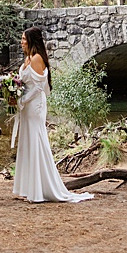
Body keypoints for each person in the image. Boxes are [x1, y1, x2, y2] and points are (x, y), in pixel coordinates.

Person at [11, 28, 93, 204]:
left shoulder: (37, 58)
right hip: (26, 106)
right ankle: (29, 187)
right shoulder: (28, 58)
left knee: (36, 142)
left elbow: (39, 88)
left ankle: (39, 191)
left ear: (32, 40)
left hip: (34, 106)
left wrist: (22, 100)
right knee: (27, 143)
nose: (21, 41)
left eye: (24, 39)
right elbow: (25, 83)